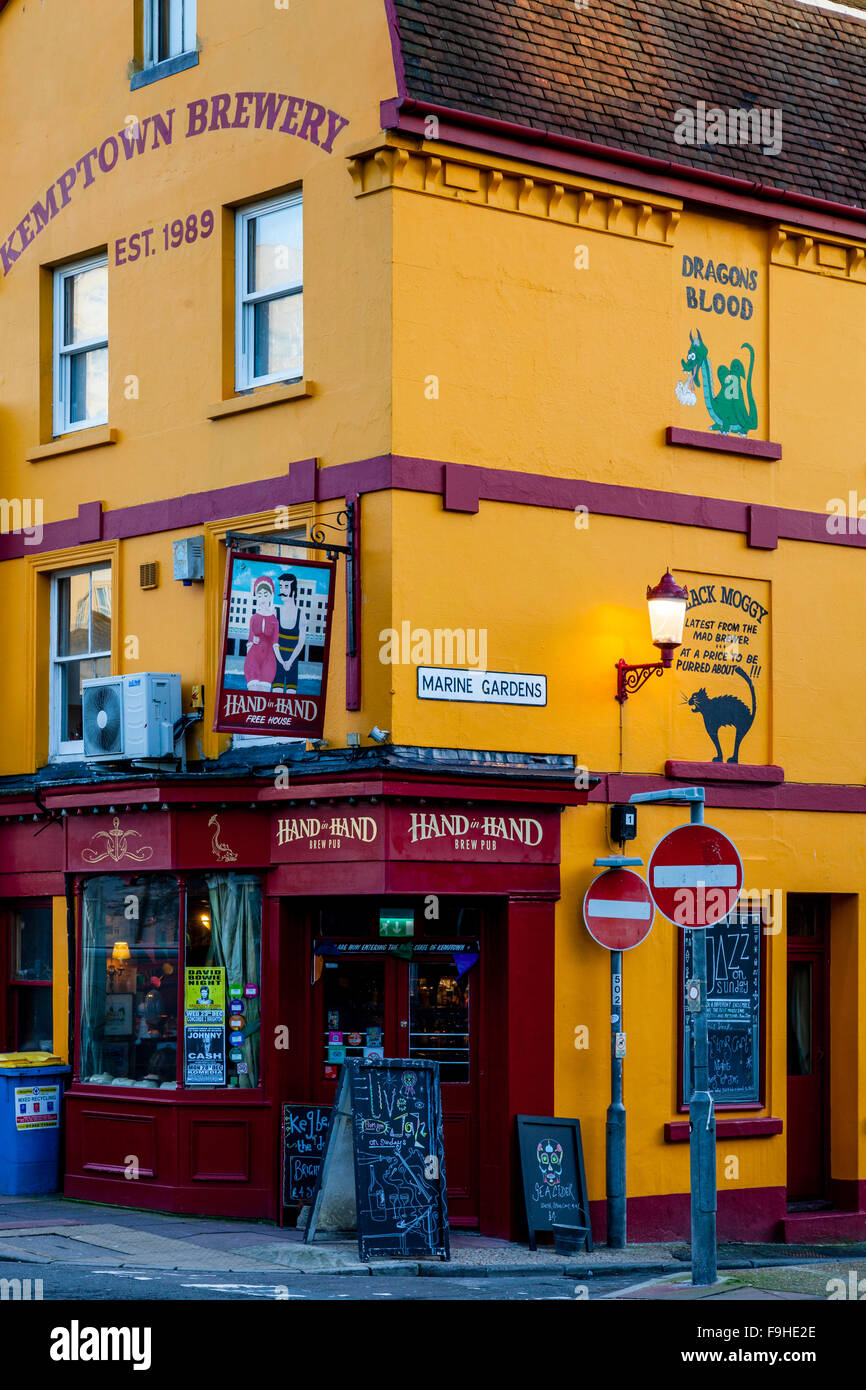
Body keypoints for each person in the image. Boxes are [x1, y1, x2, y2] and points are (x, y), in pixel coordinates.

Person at [243, 575, 280, 690]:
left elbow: (275, 643)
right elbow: (249, 641)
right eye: (259, 595)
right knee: (252, 693)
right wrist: (253, 640)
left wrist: (283, 662)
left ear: (271, 596)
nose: (262, 598)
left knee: (264, 694)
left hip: (269, 660)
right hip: (253, 659)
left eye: (265, 595)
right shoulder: (253, 618)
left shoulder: (274, 620)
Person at [273, 571, 307, 694]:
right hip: (277, 662)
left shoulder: (301, 615)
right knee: (276, 693)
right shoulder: (275, 612)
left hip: (293, 663)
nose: (282, 590)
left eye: (286, 586)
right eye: (281, 586)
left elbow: (300, 643)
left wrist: (290, 661)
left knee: (291, 696)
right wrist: (282, 661)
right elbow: (274, 642)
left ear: (293, 589)